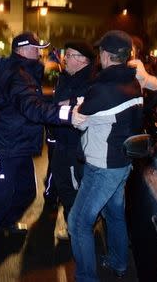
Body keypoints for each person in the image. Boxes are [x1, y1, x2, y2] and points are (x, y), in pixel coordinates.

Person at [0, 31, 86, 280]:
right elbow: (32, 107)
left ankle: (5, 223)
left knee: (26, 193)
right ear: (24, 50)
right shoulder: (16, 75)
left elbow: (35, 100)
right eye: (37, 48)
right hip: (6, 149)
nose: (41, 53)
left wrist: (66, 102)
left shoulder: (24, 73)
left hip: (19, 147)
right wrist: (69, 115)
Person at [68, 30, 144, 281]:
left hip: (102, 167)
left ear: (106, 55)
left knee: (78, 224)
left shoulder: (102, 88)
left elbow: (79, 121)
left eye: (100, 51)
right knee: (114, 215)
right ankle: (119, 262)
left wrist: (79, 106)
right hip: (123, 163)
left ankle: (87, 278)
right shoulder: (134, 82)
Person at [50, 40, 96, 240]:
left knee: (72, 188)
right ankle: (74, 226)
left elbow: (83, 107)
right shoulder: (67, 77)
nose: (64, 58)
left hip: (74, 145)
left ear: (82, 60)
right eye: (65, 54)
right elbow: (56, 103)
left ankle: (76, 229)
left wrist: (66, 103)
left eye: (69, 55)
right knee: (62, 185)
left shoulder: (90, 81)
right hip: (62, 142)